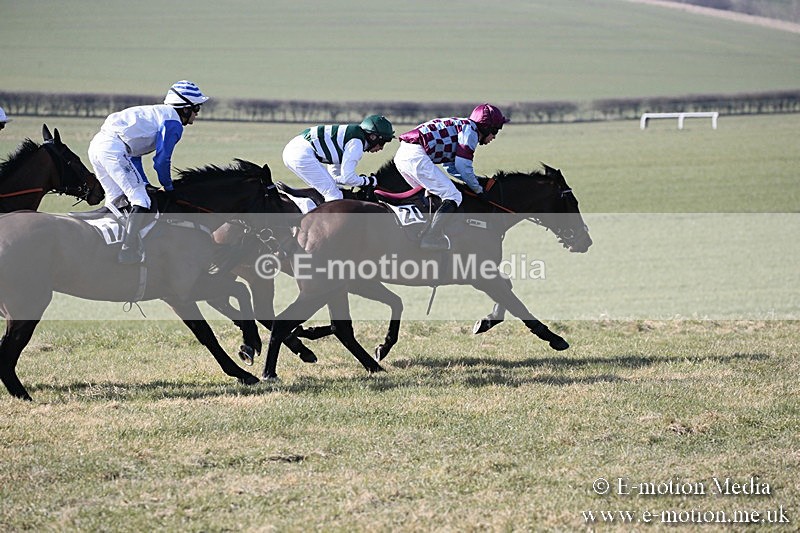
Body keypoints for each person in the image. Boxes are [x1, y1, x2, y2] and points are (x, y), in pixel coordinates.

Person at [87, 80, 209, 264]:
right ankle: (127, 251)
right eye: (197, 108)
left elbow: (135, 156)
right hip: (113, 149)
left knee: (116, 201)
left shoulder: (158, 113)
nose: (197, 114)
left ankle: (87, 229)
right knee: (140, 200)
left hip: (98, 146)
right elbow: (161, 161)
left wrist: (144, 183)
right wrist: (168, 187)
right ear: (185, 109)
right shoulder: (173, 122)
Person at [394, 103, 509, 251]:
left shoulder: (462, 126)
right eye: (495, 131)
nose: (494, 137)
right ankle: (431, 238)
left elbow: (452, 167)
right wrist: (479, 190)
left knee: (431, 196)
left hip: (404, 154)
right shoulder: (471, 132)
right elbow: (463, 166)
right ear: (486, 127)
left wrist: (474, 181)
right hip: (416, 155)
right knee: (453, 195)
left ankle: (420, 233)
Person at [282, 115, 394, 202]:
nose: (381, 148)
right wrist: (368, 181)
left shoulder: (350, 138)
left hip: (295, 151)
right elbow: (348, 178)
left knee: (334, 189)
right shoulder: (356, 144)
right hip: (301, 154)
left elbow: (336, 177)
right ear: (373, 137)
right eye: (382, 142)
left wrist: (358, 181)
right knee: (334, 195)